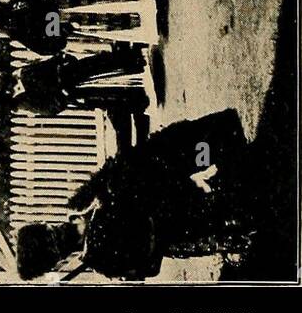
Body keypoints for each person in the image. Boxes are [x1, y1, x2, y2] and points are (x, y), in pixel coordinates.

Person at [16, 109, 253, 281]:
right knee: (185, 150)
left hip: (178, 201)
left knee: (178, 148)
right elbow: (148, 264)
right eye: (49, 234)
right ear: (57, 254)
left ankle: (225, 164)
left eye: (47, 229)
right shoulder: (100, 243)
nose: (53, 228)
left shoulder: (93, 234)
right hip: (183, 215)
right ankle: (230, 166)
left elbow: (148, 269)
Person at [14, 44, 147, 115]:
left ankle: (132, 60)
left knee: (97, 63)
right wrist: (63, 95)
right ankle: (136, 99)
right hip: (69, 92)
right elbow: (48, 108)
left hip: (69, 72)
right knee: (103, 96)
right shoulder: (22, 101)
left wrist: (60, 58)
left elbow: (46, 65)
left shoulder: (23, 73)